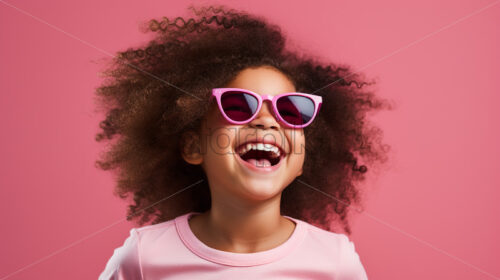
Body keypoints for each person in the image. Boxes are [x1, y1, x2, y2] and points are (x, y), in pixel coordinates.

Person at [95, 4, 393, 279]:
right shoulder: (144, 257)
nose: (267, 120)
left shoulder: (334, 262)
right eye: (238, 106)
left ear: (304, 159)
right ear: (194, 147)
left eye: (290, 110)